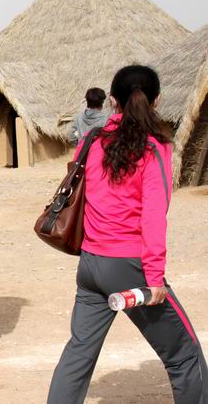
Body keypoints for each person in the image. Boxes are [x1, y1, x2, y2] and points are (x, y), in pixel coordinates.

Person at [48, 66, 208, 403]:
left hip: (90, 264)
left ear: (112, 100)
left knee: (79, 353)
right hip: (130, 267)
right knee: (185, 356)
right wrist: (154, 278)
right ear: (157, 100)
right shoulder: (154, 148)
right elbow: (153, 217)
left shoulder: (93, 140)